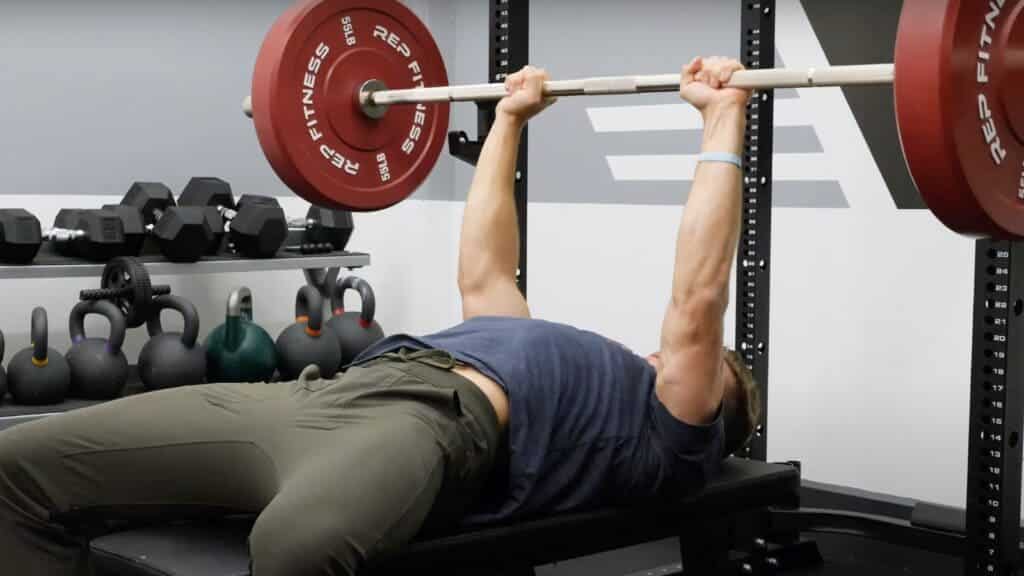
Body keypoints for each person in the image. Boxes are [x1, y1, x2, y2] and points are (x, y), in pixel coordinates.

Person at [0, 57, 760, 576]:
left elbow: (697, 303)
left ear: (707, 420)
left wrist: (723, 119)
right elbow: (488, 269)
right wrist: (509, 121)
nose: (665, 358)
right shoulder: (543, 345)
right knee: (19, 470)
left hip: (431, 425)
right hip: (317, 396)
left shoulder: (666, 437)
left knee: (298, 547)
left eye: (698, 372)